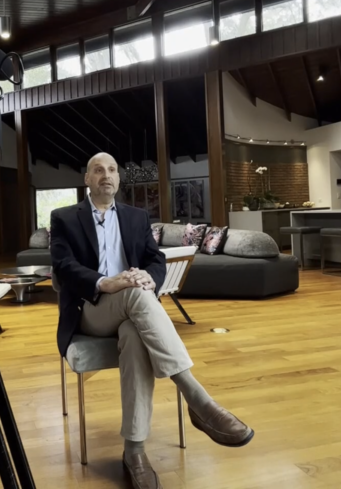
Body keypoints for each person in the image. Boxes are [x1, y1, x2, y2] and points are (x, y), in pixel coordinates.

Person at [50, 152, 253, 489]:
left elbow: (154, 260)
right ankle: (199, 400)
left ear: (119, 178)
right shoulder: (65, 217)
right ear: (87, 179)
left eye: (113, 169)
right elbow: (63, 267)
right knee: (133, 294)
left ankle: (134, 451)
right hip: (91, 309)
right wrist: (106, 282)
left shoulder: (136, 216)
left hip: (132, 310)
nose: (106, 175)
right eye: (98, 170)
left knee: (134, 331)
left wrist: (147, 277)